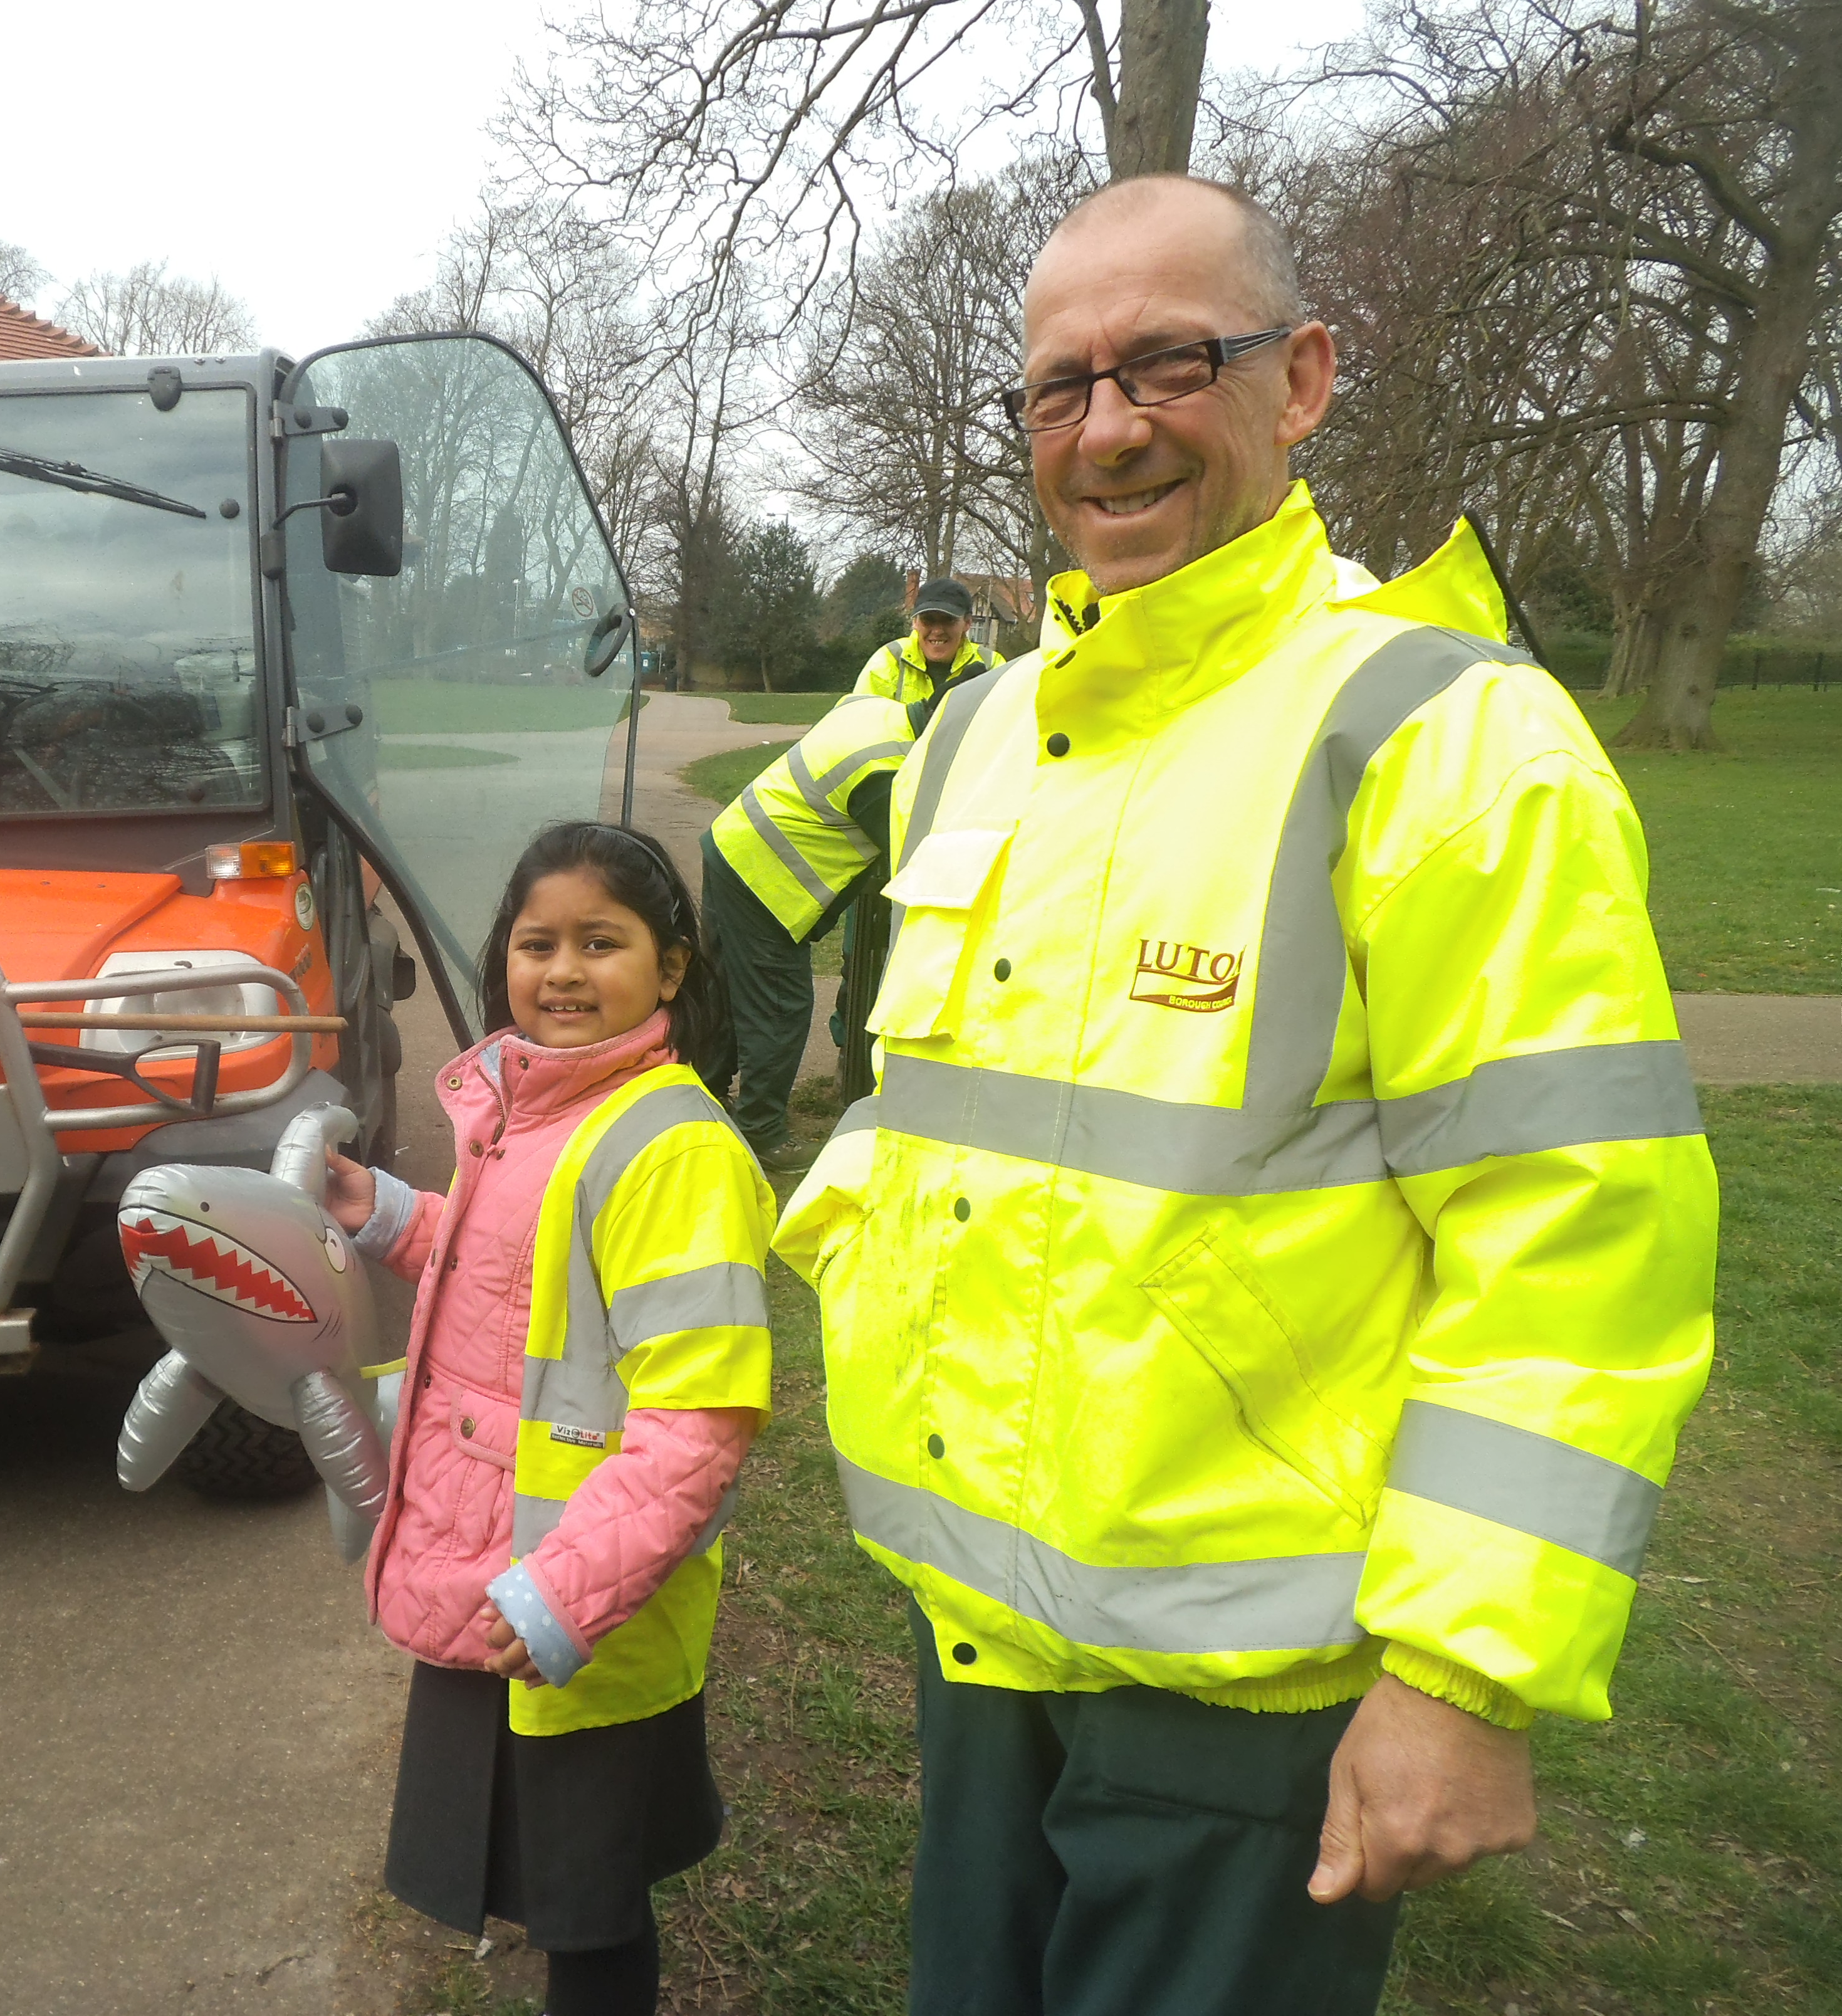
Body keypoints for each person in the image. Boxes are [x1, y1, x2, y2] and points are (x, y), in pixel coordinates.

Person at [771, 174, 1717, 2015]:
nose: (1106, 428)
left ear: (1301, 380)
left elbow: (1574, 1241)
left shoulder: (1443, 735)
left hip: (1249, 1686)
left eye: (1166, 364)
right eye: (1059, 387)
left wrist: (1461, 1675)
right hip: (977, 1634)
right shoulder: (974, 734)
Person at [323, 821, 775, 2016]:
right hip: (496, 1575)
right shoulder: (528, 1112)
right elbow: (507, 1276)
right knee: (552, 1881)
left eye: (599, 943)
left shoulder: (671, 1150)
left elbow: (698, 1423)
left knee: (589, 1907)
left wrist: (567, 1595)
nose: (562, 971)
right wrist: (384, 1213)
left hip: (581, 1603)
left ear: (668, 968)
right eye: (537, 944)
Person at [701, 692, 920, 1169]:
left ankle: (704, 1096)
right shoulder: (887, 776)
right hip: (765, 878)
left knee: (727, 989)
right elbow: (914, 859)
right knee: (779, 1006)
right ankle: (762, 1132)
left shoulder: (875, 710)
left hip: (731, 842)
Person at [855, 575, 998, 708]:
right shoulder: (889, 661)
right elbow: (861, 719)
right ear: (915, 622)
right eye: (928, 620)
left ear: (967, 623)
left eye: (948, 620)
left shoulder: (992, 665)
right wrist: (919, 716)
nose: (937, 631)